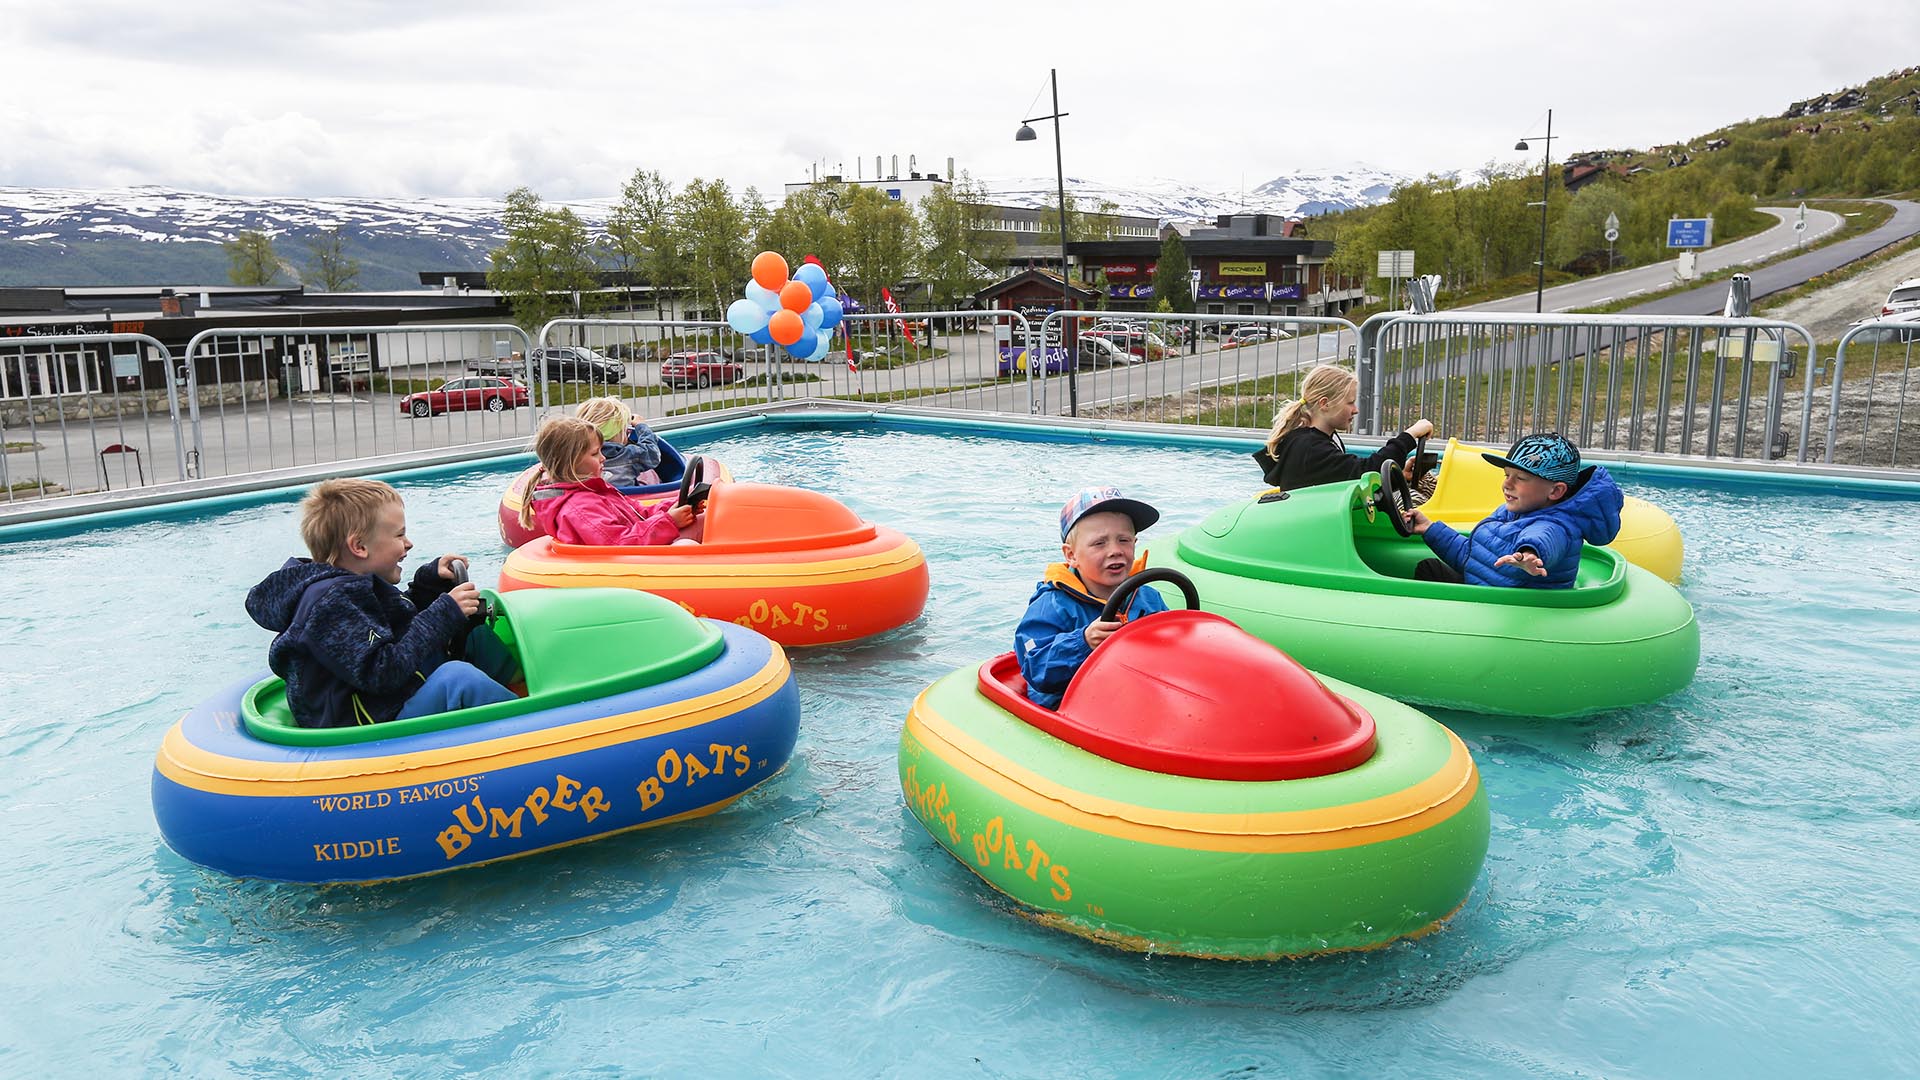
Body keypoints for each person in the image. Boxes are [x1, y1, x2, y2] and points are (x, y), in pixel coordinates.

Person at [245, 478, 518, 729]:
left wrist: (429, 584)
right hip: (365, 727)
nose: (408, 544)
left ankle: (530, 692)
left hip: (385, 703)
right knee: (457, 680)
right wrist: (443, 612)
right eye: (399, 535)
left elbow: (394, 627)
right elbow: (382, 671)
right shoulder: (331, 605)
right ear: (359, 547)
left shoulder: (353, 583)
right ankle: (530, 730)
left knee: (476, 641)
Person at [1014, 486, 1170, 710]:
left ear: (1135, 544)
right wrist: (1083, 642)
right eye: (1099, 543)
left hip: (1128, 695)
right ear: (1071, 555)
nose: (1115, 550)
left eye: (1124, 540)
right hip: (1068, 708)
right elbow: (1035, 668)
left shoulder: (1148, 597)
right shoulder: (1051, 605)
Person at [1404, 432, 1624, 588]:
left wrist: (1530, 556)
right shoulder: (1511, 511)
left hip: (1507, 608)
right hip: (1487, 590)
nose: (1507, 484)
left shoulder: (1557, 525)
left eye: (1520, 478)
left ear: (1555, 491)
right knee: (1430, 569)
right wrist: (1430, 528)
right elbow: (1473, 555)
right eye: (1506, 475)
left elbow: (1543, 539)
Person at [1253, 364, 1433, 491]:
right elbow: (1366, 471)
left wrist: (1398, 476)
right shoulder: (1310, 448)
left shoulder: (1320, 440)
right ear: (1325, 404)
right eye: (1350, 403)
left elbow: (1349, 480)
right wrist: (1409, 436)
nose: (1356, 410)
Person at [523, 416, 700, 545]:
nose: (603, 458)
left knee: (705, 520)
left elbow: (639, 514)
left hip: (639, 553)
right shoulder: (580, 507)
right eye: (594, 454)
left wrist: (676, 505)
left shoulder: (596, 490)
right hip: (626, 567)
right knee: (688, 545)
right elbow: (618, 543)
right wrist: (669, 522)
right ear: (570, 461)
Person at [574, 397, 665, 487]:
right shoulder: (629, 454)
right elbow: (653, 454)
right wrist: (642, 426)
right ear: (618, 432)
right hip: (626, 497)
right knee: (649, 473)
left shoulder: (574, 455)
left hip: (590, 496)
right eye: (626, 431)